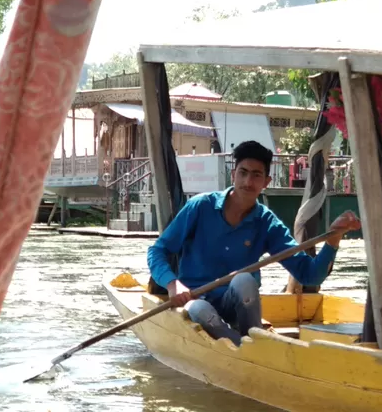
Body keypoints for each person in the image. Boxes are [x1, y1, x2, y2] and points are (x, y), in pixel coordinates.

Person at [147, 140, 361, 346]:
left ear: (266, 182)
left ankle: (252, 340)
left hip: (238, 310)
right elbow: (157, 251)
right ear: (233, 175)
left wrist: (333, 239)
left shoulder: (266, 223)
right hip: (194, 302)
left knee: (244, 280)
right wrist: (173, 284)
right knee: (201, 310)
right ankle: (247, 348)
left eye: (256, 175)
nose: (248, 182)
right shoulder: (200, 206)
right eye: (243, 173)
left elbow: (309, 274)